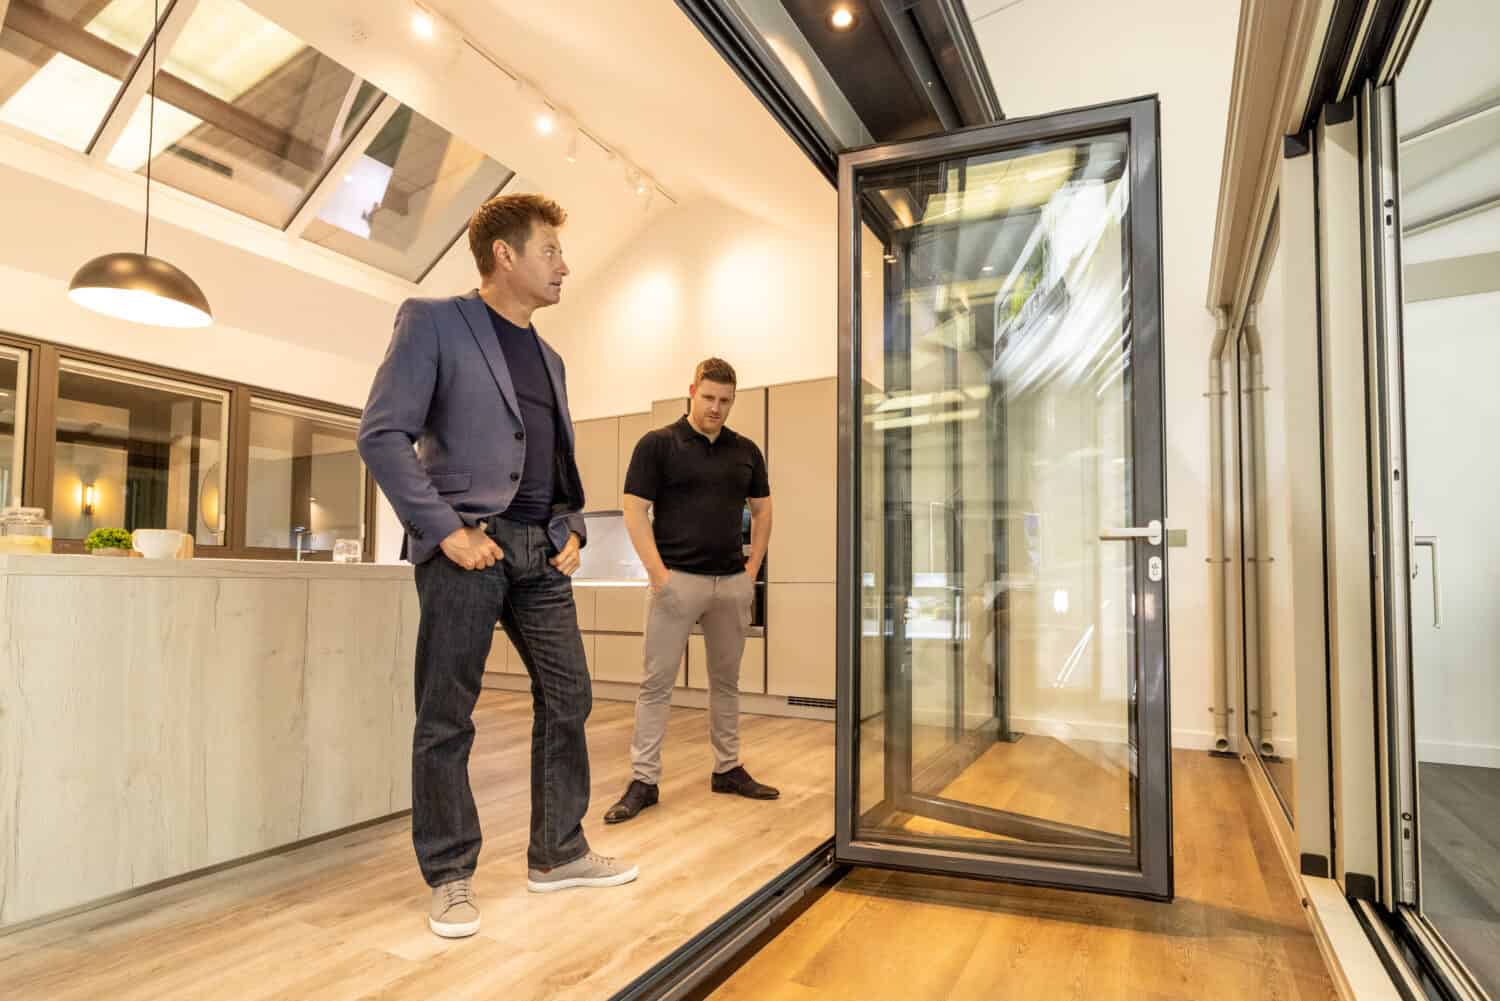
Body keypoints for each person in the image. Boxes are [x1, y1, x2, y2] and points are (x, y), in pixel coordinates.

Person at [358, 193, 637, 940]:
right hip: (468, 546)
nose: (564, 265)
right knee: (447, 714)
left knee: (570, 695)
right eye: (551, 250)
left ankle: (557, 852)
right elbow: (382, 435)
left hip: (540, 552)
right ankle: (450, 875)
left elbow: (554, 467)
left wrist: (570, 526)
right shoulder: (433, 321)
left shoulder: (551, 357)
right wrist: (446, 531)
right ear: (505, 254)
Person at [605, 358, 779, 824]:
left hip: (731, 584)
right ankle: (644, 779)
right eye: (708, 398)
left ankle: (728, 768)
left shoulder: (745, 451)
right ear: (692, 392)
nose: (716, 408)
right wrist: (659, 576)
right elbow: (634, 511)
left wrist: (751, 569)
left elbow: (762, 512)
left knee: (726, 683)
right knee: (656, 684)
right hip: (676, 582)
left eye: (725, 401)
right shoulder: (658, 444)